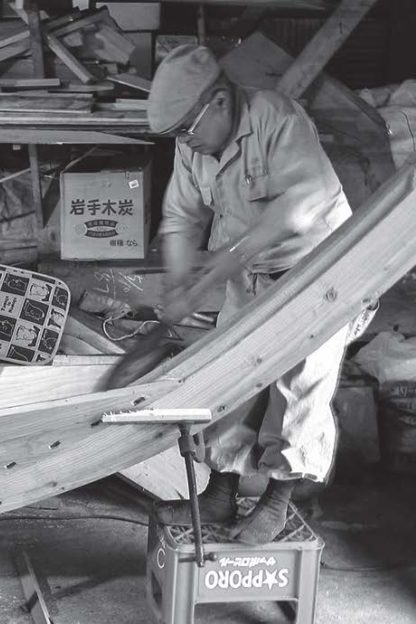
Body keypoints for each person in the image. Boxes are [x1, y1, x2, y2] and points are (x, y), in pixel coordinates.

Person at [146, 44, 363, 544]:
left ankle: (276, 502)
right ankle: (220, 494)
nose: (184, 141)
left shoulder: (277, 119)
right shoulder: (192, 144)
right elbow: (181, 218)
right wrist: (180, 285)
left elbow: (299, 204)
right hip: (253, 271)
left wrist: (229, 257)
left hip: (320, 270)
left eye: (186, 128)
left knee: (298, 385)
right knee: (234, 378)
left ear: (219, 102)